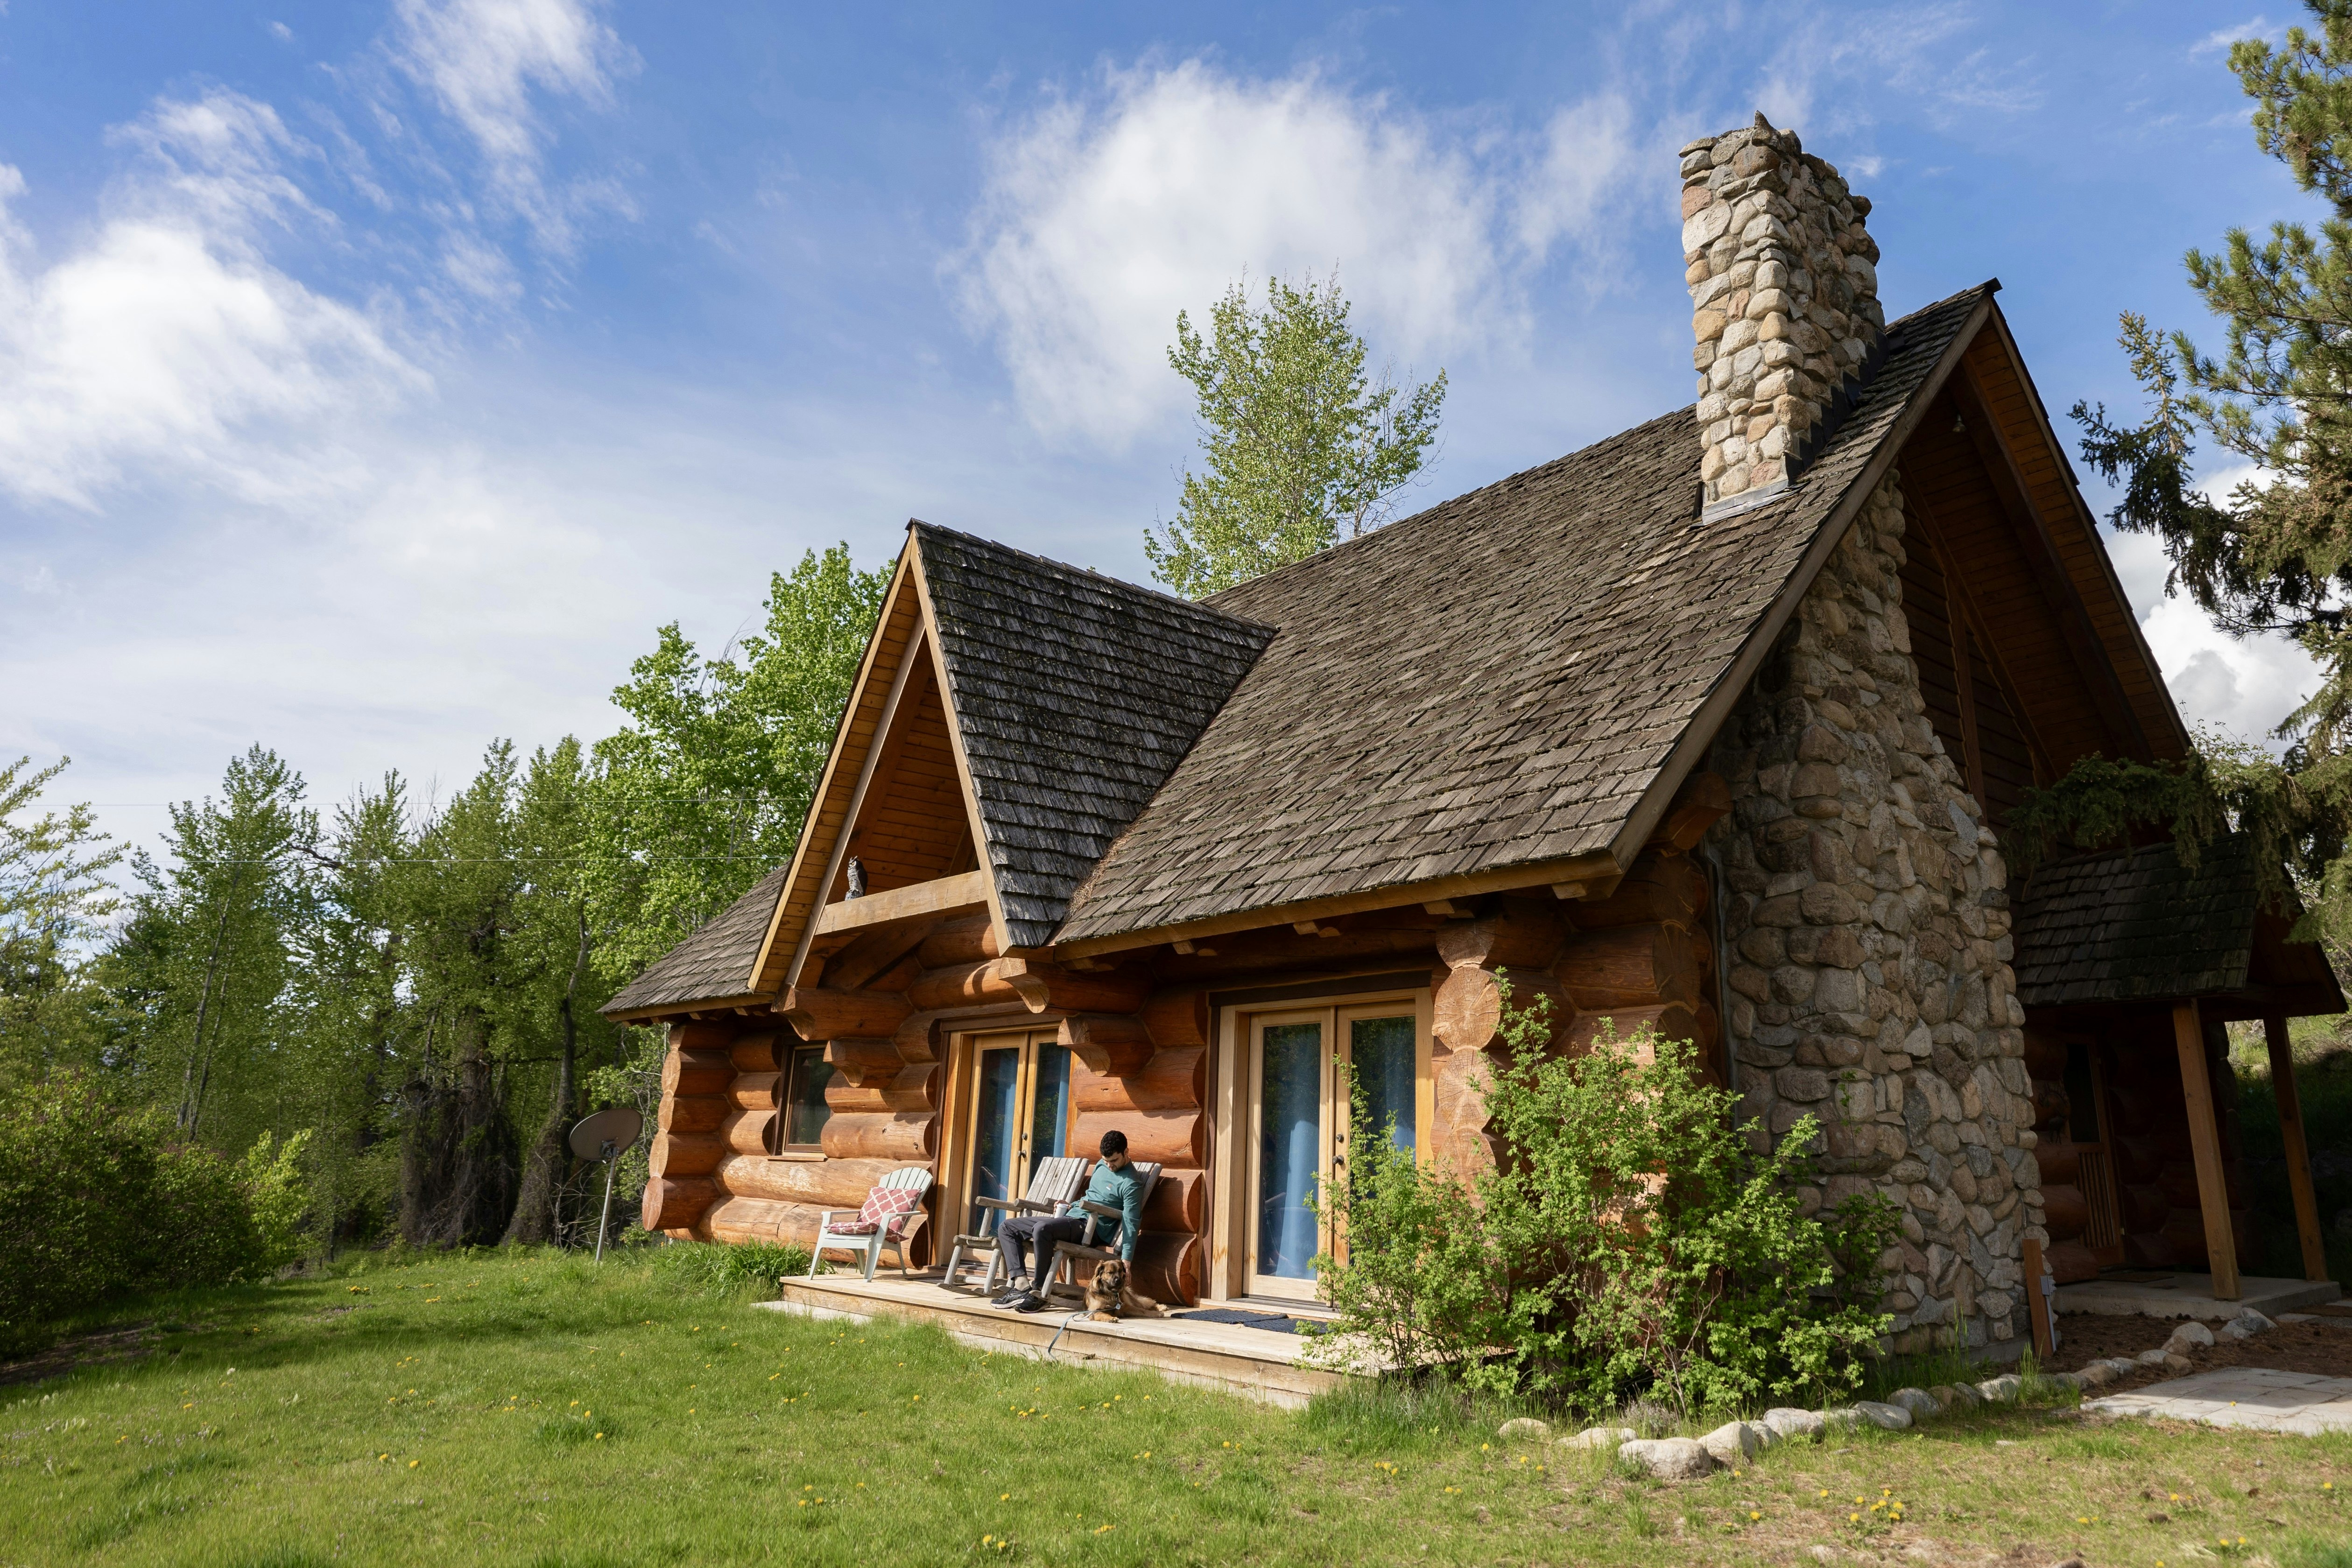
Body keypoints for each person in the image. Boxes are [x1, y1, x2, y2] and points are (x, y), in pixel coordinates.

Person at [993, 1130, 1145, 1313]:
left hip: (1091, 1229)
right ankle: (1021, 1285)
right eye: (1106, 1161)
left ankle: (1040, 1291)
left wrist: (1127, 1260)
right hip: (1073, 1218)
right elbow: (1092, 1196)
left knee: (1042, 1229)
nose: (1109, 1165)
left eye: (1114, 1161)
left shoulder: (1131, 1184)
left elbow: (1131, 1222)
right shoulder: (1101, 1165)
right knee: (1007, 1227)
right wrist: (1071, 1204)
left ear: (1126, 1152)